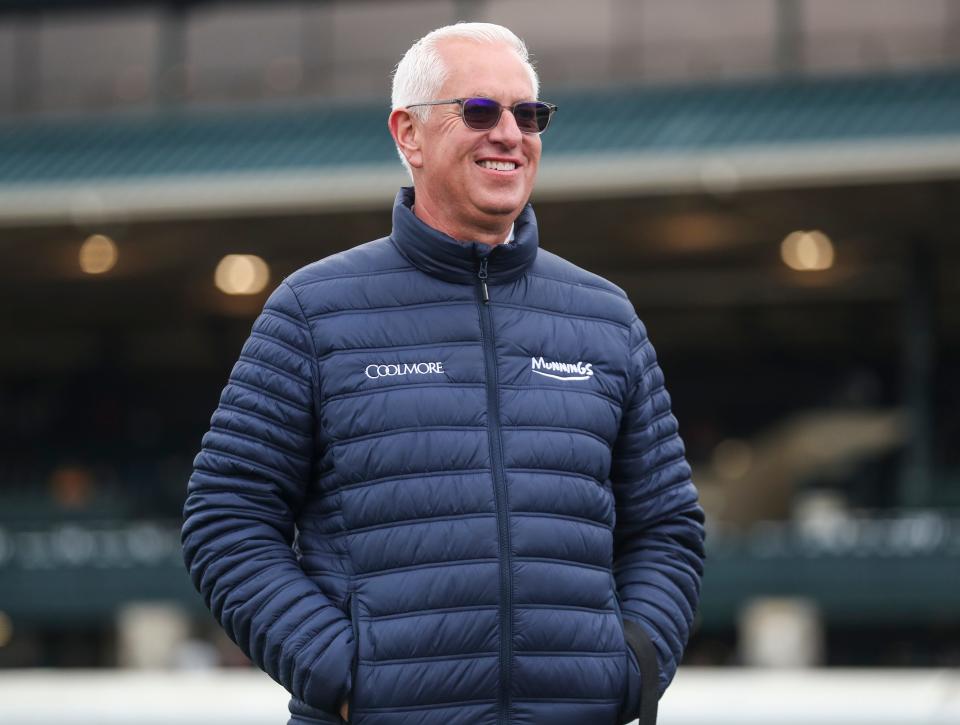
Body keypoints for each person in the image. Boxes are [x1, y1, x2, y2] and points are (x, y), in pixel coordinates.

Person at [181, 22, 705, 725]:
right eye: (481, 111)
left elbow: (667, 525)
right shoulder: (313, 311)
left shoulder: (604, 316)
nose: (510, 134)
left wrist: (633, 663)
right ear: (409, 135)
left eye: (530, 114)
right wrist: (342, 673)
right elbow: (226, 517)